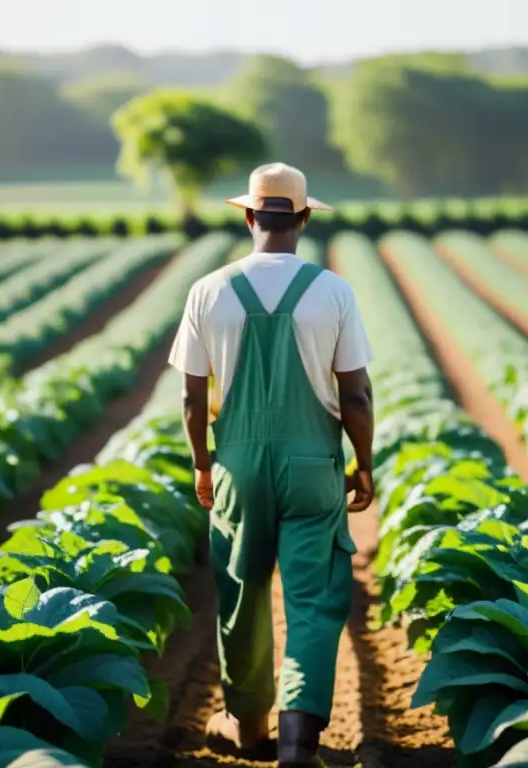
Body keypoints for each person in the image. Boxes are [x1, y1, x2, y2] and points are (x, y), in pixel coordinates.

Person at [167, 162, 376, 768]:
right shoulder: (333, 291)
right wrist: (363, 466)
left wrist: (205, 466)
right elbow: (356, 395)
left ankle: (248, 728)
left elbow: (190, 398)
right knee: (313, 601)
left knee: (242, 594)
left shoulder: (208, 291)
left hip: (237, 463)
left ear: (250, 216)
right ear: (305, 219)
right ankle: (296, 746)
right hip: (313, 463)